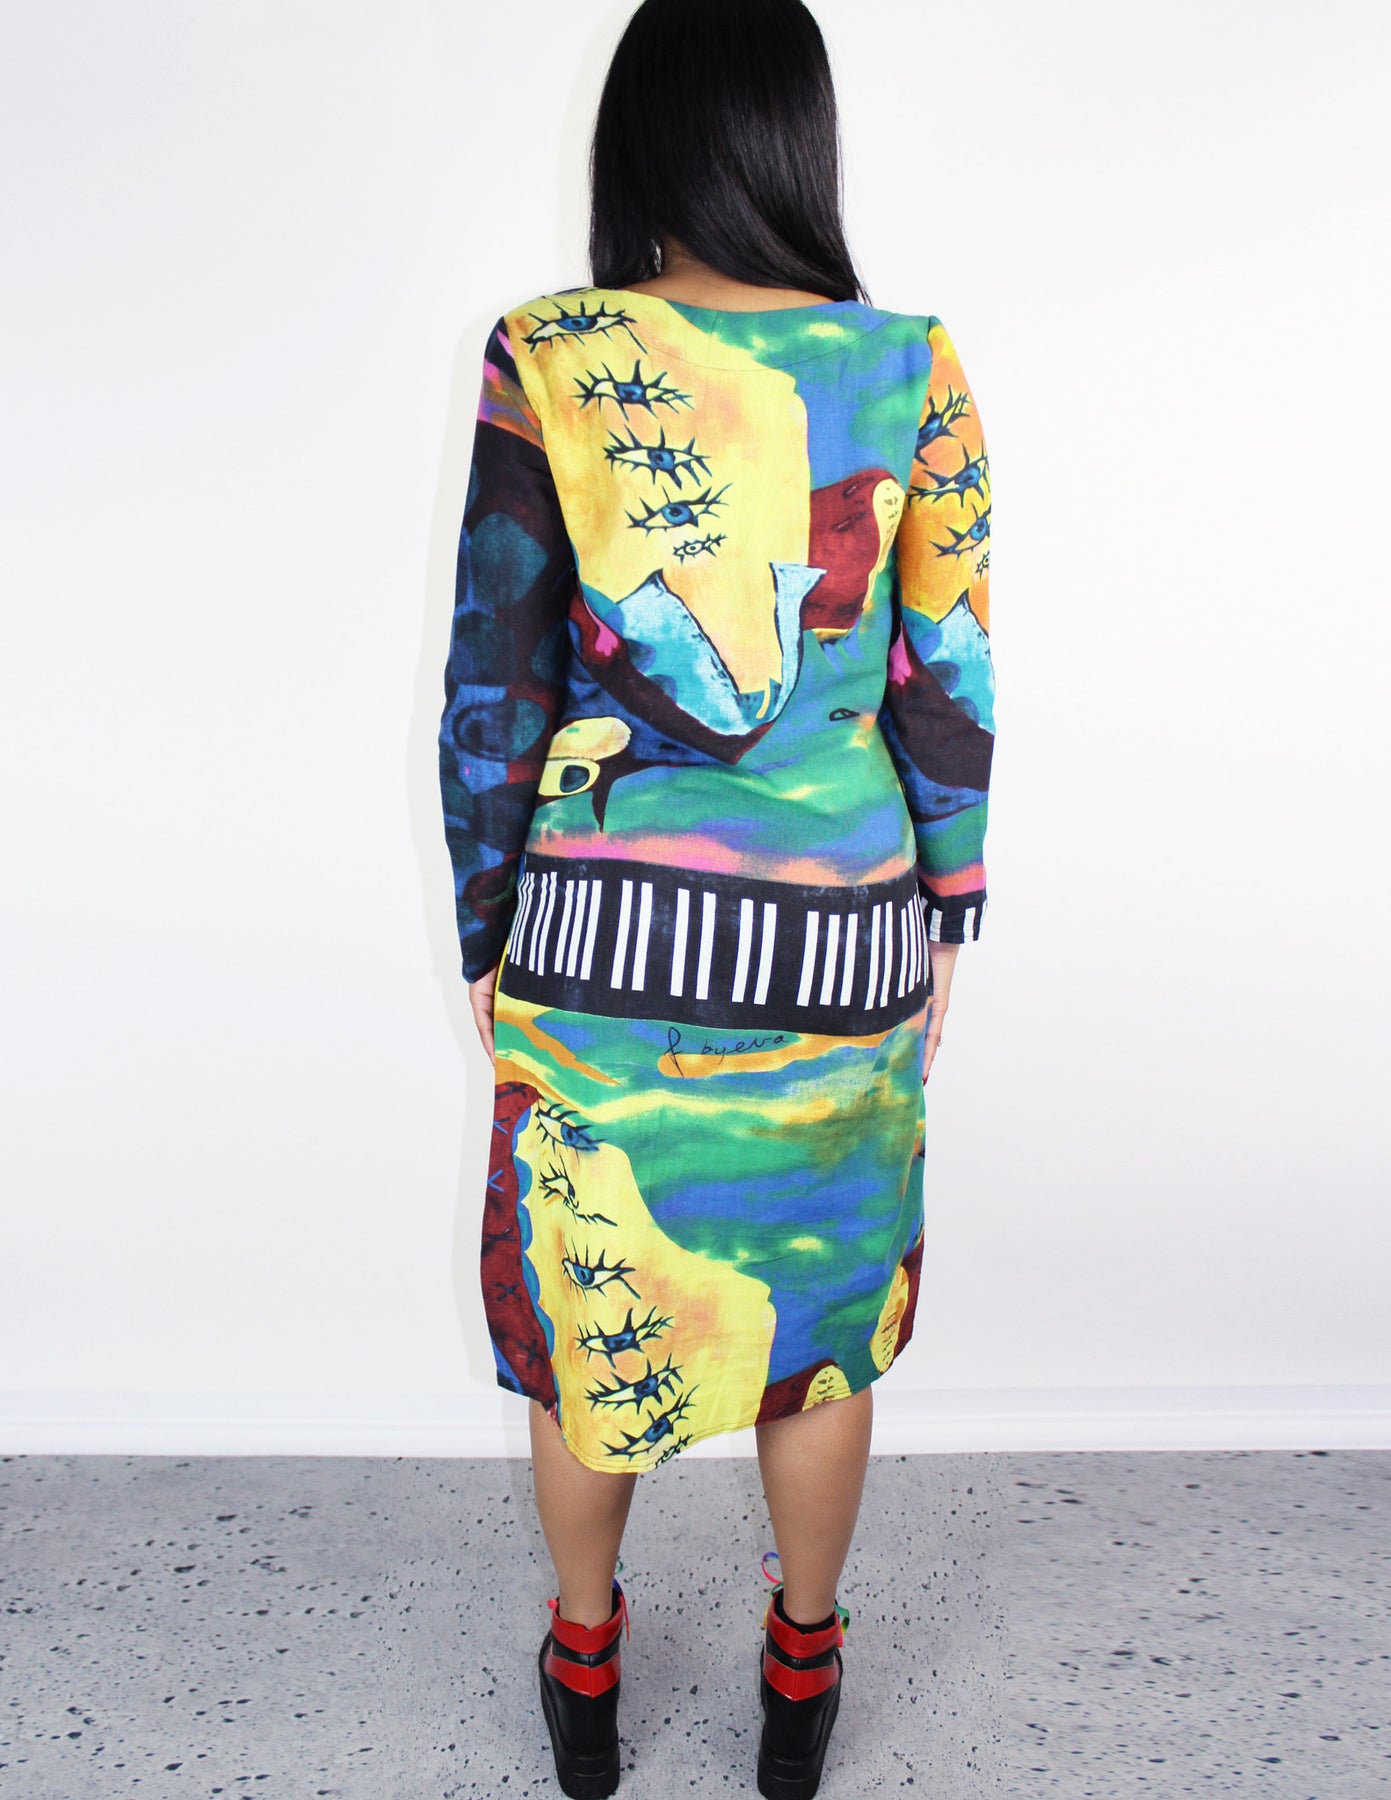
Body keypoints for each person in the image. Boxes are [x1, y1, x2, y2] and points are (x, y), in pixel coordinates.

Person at [437, 1, 995, 1791]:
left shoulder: (549, 354)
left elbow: (496, 676)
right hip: (845, 929)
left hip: (602, 936)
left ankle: (586, 1658)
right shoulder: (908, 364)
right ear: (794, 142)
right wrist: (950, 910)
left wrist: (487, 922)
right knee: (818, 1334)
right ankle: (802, 1671)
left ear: (640, 142)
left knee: (590, 1321)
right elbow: (947, 679)